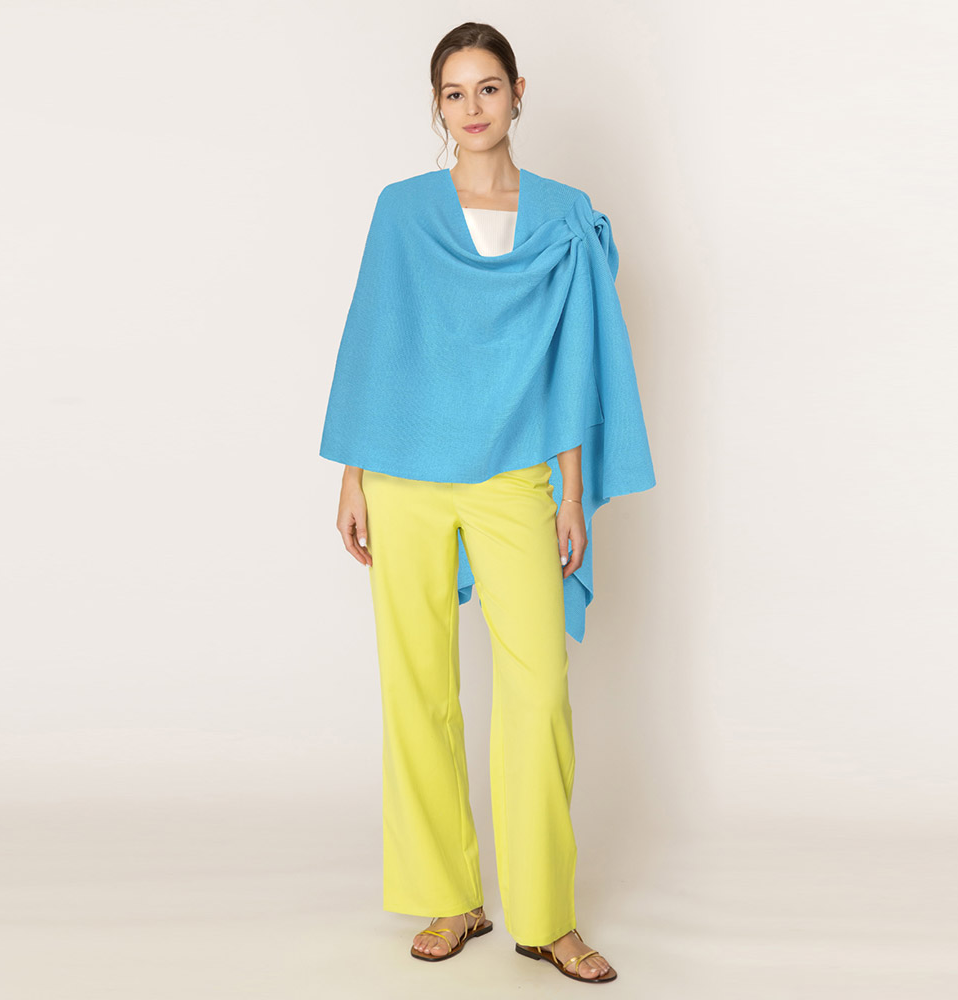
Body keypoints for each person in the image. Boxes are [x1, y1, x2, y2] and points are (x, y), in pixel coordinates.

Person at [320, 21, 657, 985]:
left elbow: (574, 358)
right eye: (454, 92)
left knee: (538, 691)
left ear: (518, 93)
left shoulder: (563, 216)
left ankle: (548, 918)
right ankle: (450, 895)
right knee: (416, 685)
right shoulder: (402, 210)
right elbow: (372, 340)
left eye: (488, 88)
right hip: (405, 473)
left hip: (517, 476)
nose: (472, 108)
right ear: (438, 106)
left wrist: (572, 491)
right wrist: (352, 476)